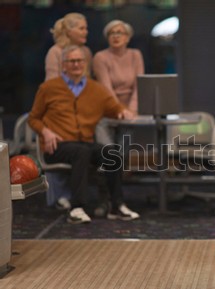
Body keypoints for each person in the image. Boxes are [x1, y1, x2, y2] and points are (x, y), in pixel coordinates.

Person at [28, 45, 140, 224]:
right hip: (57, 145)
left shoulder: (96, 89)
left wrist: (123, 112)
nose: (76, 64)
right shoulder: (48, 88)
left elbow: (114, 108)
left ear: (85, 64)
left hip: (83, 143)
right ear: (63, 65)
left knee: (112, 154)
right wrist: (46, 132)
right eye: (71, 61)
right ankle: (76, 208)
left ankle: (116, 206)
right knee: (81, 152)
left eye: (79, 61)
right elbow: (33, 119)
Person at [44, 12, 92, 210]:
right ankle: (59, 197)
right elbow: (51, 87)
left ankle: (82, 197)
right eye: (81, 28)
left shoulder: (86, 52)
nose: (85, 32)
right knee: (61, 147)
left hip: (81, 112)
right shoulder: (55, 52)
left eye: (86, 28)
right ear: (69, 30)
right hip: (59, 112)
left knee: (84, 150)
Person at [93, 19, 144, 145]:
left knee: (123, 151)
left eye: (120, 33)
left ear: (127, 37)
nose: (116, 36)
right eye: (112, 33)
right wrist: (120, 110)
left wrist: (131, 110)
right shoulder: (100, 57)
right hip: (108, 109)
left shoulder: (135, 55)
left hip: (130, 111)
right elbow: (106, 88)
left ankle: (122, 163)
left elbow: (139, 85)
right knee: (109, 154)